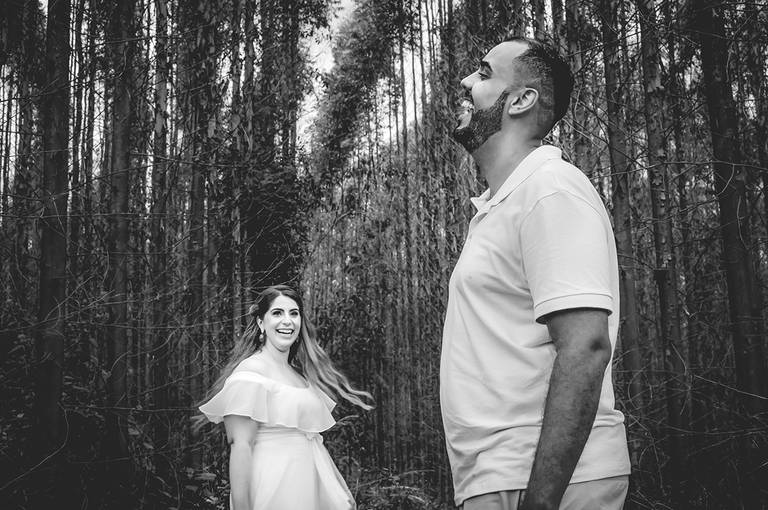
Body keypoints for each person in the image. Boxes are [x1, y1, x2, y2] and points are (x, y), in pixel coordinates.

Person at [440, 35, 631, 510]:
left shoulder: (550, 191)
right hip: (500, 475)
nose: (465, 81)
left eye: (484, 73)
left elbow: (585, 347)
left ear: (521, 100)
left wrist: (541, 501)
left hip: (544, 481)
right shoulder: (504, 204)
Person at [199, 285, 372, 510]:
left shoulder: (299, 376)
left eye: (294, 313)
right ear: (261, 322)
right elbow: (241, 446)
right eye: (277, 313)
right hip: (273, 488)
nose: (287, 321)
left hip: (308, 489)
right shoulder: (251, 373)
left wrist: (338, 490)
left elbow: (312, 442)